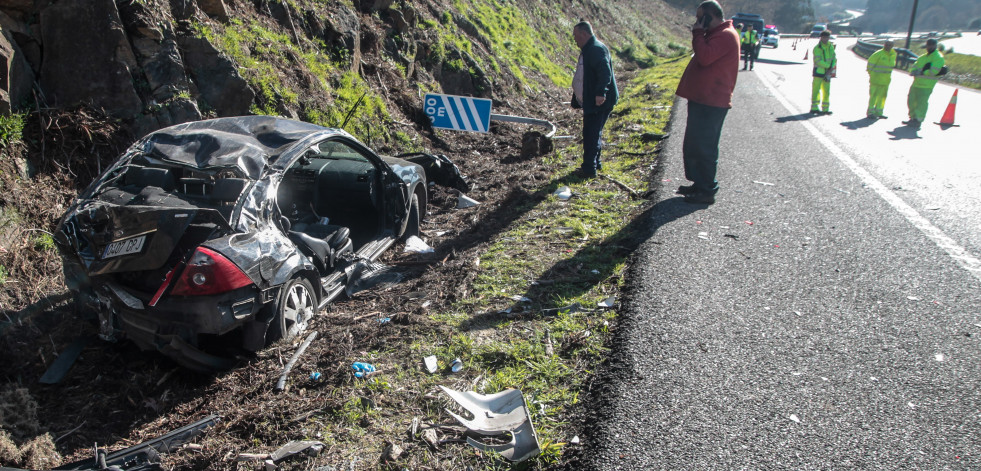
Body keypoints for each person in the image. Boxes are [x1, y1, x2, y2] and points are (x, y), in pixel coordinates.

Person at [674, 0, 740, 205]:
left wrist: (697, 33)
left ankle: (707, 190)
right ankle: (699, 184)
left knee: (705, 147)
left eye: (700, 17)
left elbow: (704, 57)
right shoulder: (717, 34)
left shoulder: (726, 35)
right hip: (703, 99)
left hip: (712, 102)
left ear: (709, 16)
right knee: (694, 144)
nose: (697, 21)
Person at [570, 20, 618, 178]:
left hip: (599, 101)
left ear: (584, 34)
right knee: (593, 132)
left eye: (576, 36)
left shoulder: (595, 49)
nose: (574, 39)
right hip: (594, 99)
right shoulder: (590, 48)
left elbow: (605, 73)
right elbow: (585, 75)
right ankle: (595, 163)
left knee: (591, 133)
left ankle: (589, 169)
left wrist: (600, 93)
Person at [903, 38, 945, 129]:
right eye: (928, 45)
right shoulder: (923, 57)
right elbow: (915, 66)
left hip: (927, 85)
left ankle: (918, 120)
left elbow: (933, 71)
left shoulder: (938, 57)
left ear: (935, 45)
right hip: (916, 83)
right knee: (911, 101)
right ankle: (912, 118)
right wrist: (913, 71)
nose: (929, 46)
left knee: (921, 103)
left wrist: (922, 72)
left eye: (932, 45)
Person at [866, 40, 896, 119]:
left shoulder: (893, 54)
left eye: (890, 45)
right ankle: (871, 112)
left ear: (892, 46)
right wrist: (871, 74)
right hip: (876, 79)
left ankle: (879, 112)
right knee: (873, 96)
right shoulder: (878, 54)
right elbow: (870, 64)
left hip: (886, 80)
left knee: (882, 97)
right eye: (887, 44)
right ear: (884, 45)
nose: (888, 46)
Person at [810, 30, 836, 115]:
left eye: (827, 37)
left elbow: (834, 57)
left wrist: (831, 67)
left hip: (827, 73)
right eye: (824, 37)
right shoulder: (817, 48)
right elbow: (818, 61)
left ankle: (825, 109)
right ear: (821, 38)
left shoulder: (831, 46)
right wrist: (828, 66)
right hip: (819, 72)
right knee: (816, 90)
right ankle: (814, 107)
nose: (825, 39)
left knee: (826, 91)